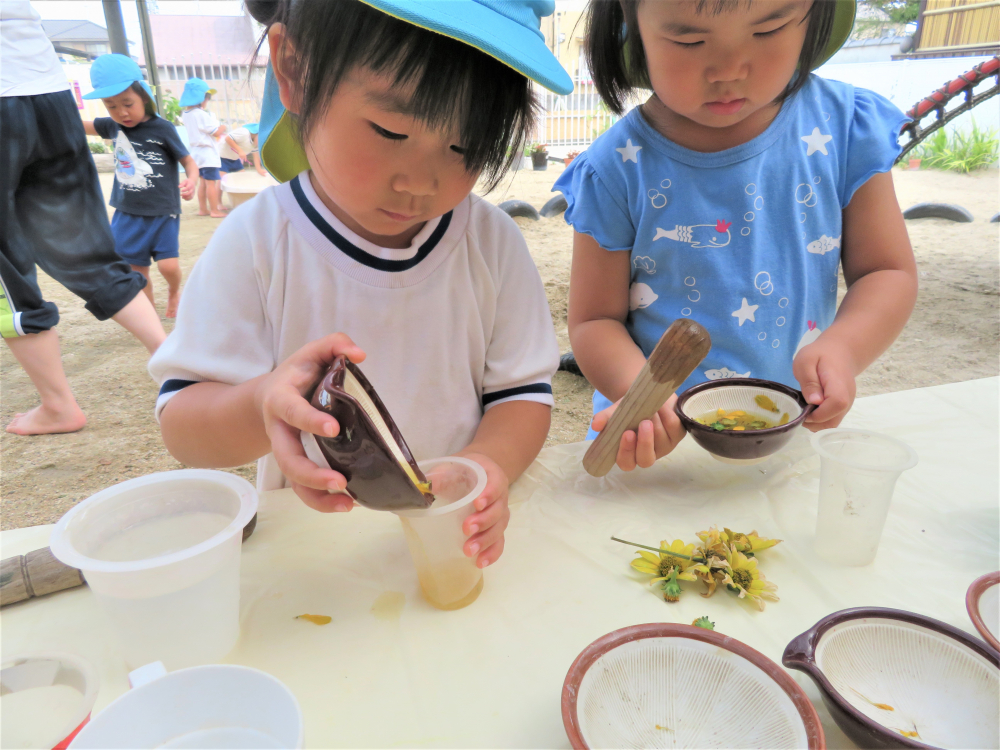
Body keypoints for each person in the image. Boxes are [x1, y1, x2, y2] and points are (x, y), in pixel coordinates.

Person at [149, 0, 573, 569]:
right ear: (294, 71)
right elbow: (184, 426)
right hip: (312, 565)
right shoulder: (259, 243)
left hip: (452, 549)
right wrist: (261, 403)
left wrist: (483, 467)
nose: (420, 182)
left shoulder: (490, 243)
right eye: (390, 130)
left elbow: (521, 396)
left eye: (465, 146)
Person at [557, 0, 918, 471]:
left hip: (790, 434)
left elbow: (885, 271)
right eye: (689, 40)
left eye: (768, 30)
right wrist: (640, 393)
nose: (729, 70)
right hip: (657, 445)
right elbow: (593, 322)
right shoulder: (616, 167)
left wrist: (844, 348)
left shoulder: (843, 128)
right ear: (633, 24)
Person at [1, 0, 167, 436]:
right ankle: (173, 362)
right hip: (47, 91)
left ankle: (58, 405)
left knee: (8, 272)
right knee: (88, 247)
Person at [82, 54, 198, 319]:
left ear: (144, 96)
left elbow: (189, 162)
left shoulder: (163, 128)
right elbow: (77, 126)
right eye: (111, 106)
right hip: (128, 213)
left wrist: (191, 180)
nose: (121, 112)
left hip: (162, 212)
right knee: (136, 273)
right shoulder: (112, 127)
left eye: (127, 103)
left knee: (168, 266)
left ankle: (174, 291)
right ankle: (149, 317)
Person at [179, 78, 226, 217]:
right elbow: (216, 132)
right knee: (211, 183)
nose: (207, 102)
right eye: (207, 98)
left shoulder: (186, 114)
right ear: (200, 99)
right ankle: (214, 210)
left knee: (202, 183)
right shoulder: (200, 114)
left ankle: (203, 209)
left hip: (196, 154)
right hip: (207, 154)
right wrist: (223, 127)